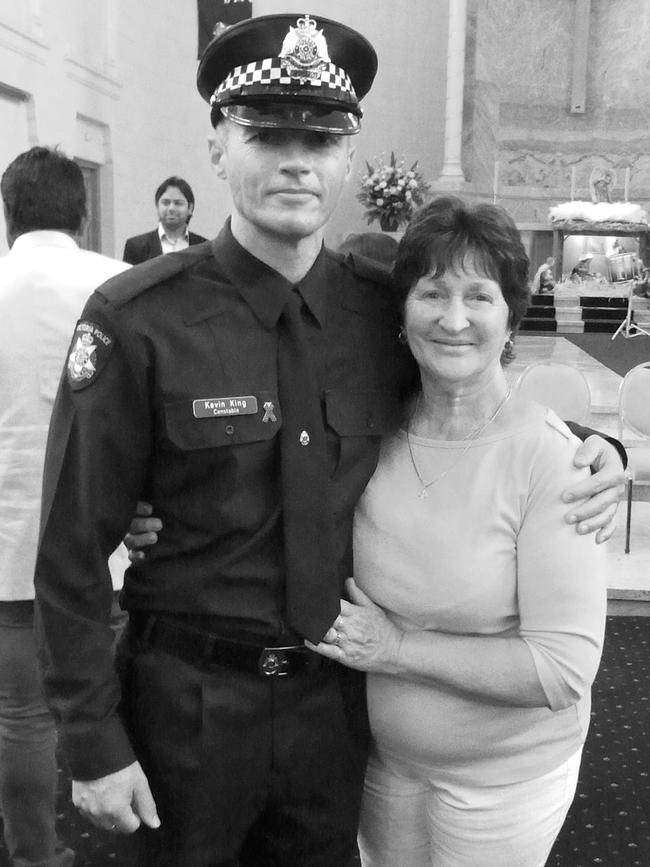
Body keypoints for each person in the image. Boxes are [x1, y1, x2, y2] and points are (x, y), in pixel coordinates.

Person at [35, 13, 624, 867]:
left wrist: (595, 443)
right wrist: (92, 739)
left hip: (335, 711)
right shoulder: (138, 321)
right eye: (267, 133)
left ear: (350, 156)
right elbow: (69, 549)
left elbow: (469, 385)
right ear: (217, 145)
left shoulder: (379, 304)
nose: (297, 159)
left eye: (322, 136)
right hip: (185, 706)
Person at [308, 198, 608, 866]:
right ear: (402, 311)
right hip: (381, 761)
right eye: (432, 292)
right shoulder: (369, 430)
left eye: (479, 295)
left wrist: (395, 648)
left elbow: (561, 669)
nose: (453, 318)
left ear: (510, 317)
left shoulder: (553, 459)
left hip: (504, 781)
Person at [0, 146, 130, 867]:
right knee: (119, 702)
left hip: (8, 539)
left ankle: (32, 853)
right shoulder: (118, 283)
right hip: (106, 539)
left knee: (21, 714)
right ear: (80, 211)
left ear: (8, 211)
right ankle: (136, 838)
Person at [122, 175, 207, 264]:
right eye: (166, 203)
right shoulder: (136, 247)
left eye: (178, 203)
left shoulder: (204, 248)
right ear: (157, 206)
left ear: (190, 208)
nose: (171, 208)